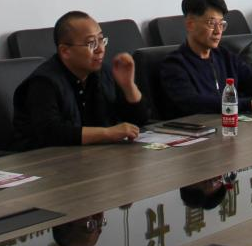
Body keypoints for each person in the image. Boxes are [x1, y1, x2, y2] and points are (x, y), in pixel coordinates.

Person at [11, 11, 149, 150]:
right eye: (91, 43)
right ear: (65, 51)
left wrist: (129, 86)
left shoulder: (103, 73)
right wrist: (107, 133)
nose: (100, 49)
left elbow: (139, 121)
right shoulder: (44, 83)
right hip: (45, 159)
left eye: (101, 40)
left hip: (93, 155)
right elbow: (50, 132)